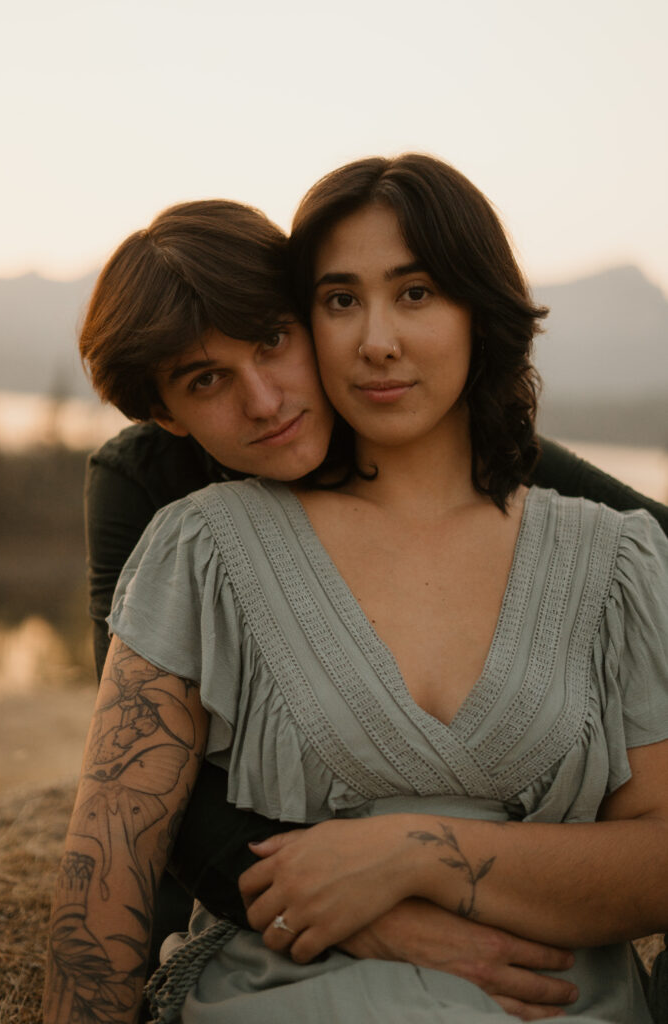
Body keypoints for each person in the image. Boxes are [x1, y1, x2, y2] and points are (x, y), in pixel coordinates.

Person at [44, 165, 668, 1023]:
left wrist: (413, 855)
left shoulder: (611, 553)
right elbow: (118, 844)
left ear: (476, 311)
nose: (375, 340)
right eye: (340, 300)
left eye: (415, 291)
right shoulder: (187, 532)